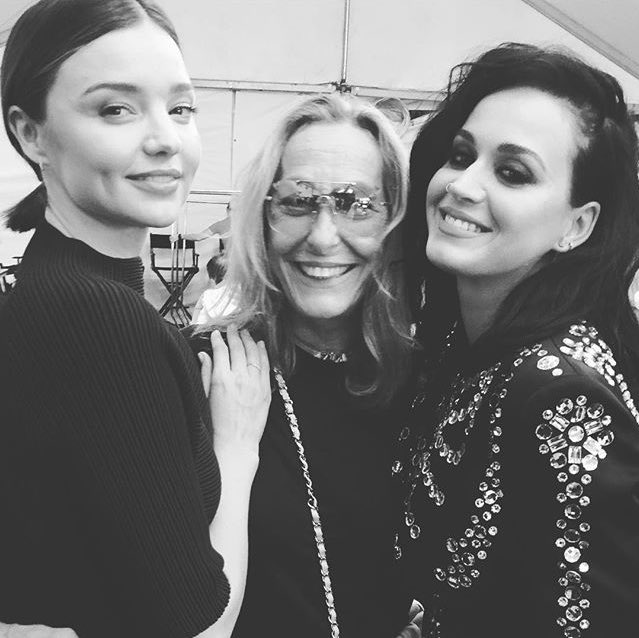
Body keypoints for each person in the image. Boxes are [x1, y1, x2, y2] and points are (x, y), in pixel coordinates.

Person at [0, 1, 270, 637]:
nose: (165, 139)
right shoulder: (95, 319)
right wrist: (237, 445)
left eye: (180, 108)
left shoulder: (51, 283)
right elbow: (198, 629)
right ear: (31, 133)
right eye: (115, 109)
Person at [394, 43, 639, 637]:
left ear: (577, 225)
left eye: (512, 173)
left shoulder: (562, 397)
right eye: (461, 155)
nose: (461, 185)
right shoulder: (462, 347)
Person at [190, 94, 418, 637]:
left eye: (357, 204)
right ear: (264, 217)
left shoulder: (434, 380)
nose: (322, 236)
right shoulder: (202, 369)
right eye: (297, 201)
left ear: (395, 222)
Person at [192, 254, 236, 324]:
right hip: (230, 324)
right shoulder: (236, 290)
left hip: (208, 326)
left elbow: (197, 308)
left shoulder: (207, 294)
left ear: (211, 276)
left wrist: (194, 322)